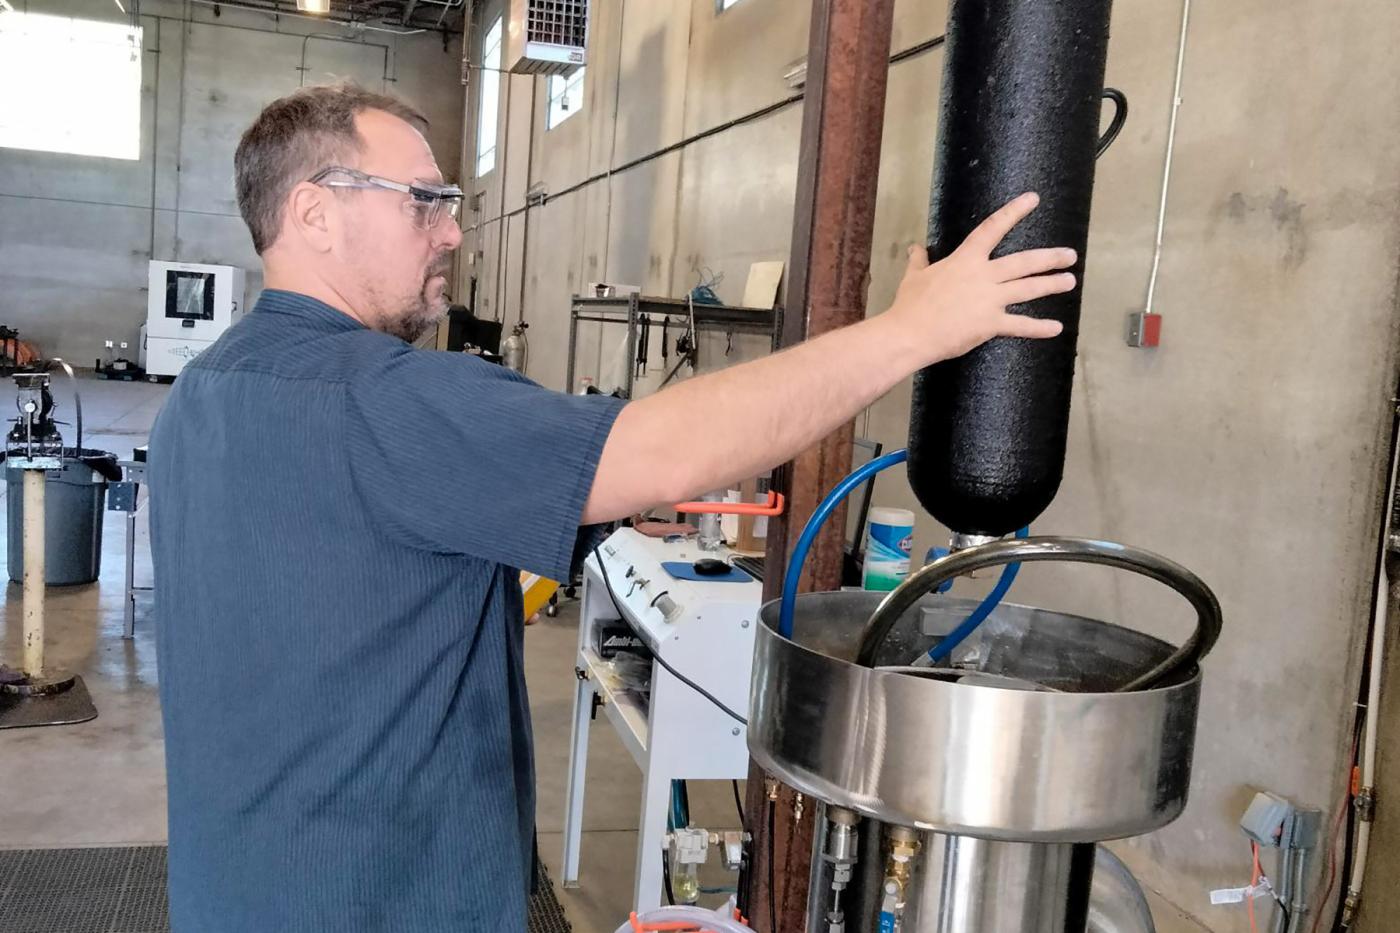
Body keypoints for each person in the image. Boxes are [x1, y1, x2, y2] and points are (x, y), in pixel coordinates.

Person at [148, 83, 1075, 932]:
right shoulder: (386, 399)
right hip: (383, 896)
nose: (451, 232)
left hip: (236, 885)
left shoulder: (199, 396)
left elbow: (350, 552)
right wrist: (912, 332)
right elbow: (670, 444)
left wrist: (598, 500)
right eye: (423, 200)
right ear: (314, 210)